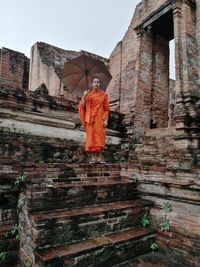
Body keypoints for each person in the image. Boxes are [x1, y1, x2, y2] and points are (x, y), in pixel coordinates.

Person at [79, 77, 110, 163]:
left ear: (99, 84)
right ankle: (93, 158)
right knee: (91, 138)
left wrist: (106, 120)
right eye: (94, 82)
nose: (96, 83)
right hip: (91, 119)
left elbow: (106, 109)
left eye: (97, 82)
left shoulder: (104, 95)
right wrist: (84, 96)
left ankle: (100, 158)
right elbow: (83, 106)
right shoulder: (88, 95)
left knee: (100, 138)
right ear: (92, 84)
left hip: (100, 119)